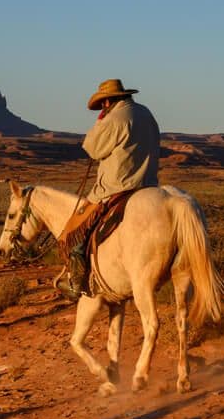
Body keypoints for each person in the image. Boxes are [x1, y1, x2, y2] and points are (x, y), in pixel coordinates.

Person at [56, 78, 161, 301]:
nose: (102, 107)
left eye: (103, 103)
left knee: (73, 231)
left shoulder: (115, 118)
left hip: (116, 186)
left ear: (108, 101)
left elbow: (92, 149)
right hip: (148, 183)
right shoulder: (145, 113)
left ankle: (78, 281)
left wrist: (100, 122)